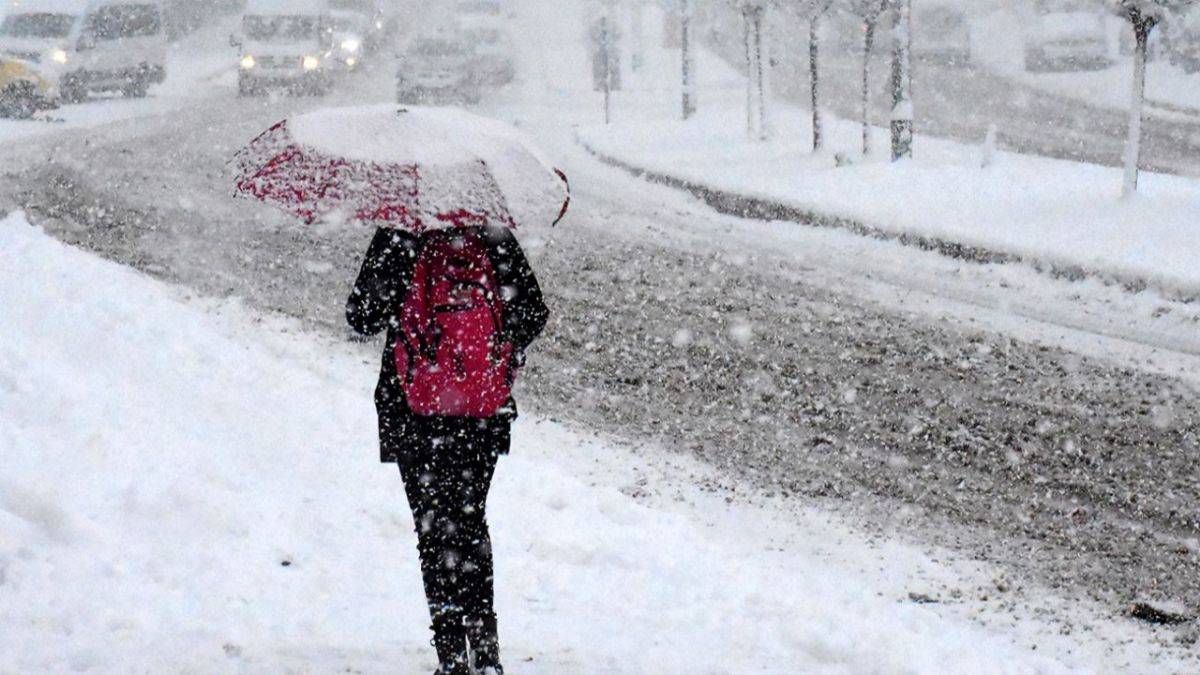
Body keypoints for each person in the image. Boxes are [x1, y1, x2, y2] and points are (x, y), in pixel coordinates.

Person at [346, 223, 548, 675]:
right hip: (480, 412)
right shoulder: (491, 233)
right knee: (470, 520)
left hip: (415, 410)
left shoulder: (401, 232)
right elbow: (532, 314)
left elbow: (361, 316)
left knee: (433, 529)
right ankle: (487, 650)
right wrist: (491, 353)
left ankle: (451, 655)